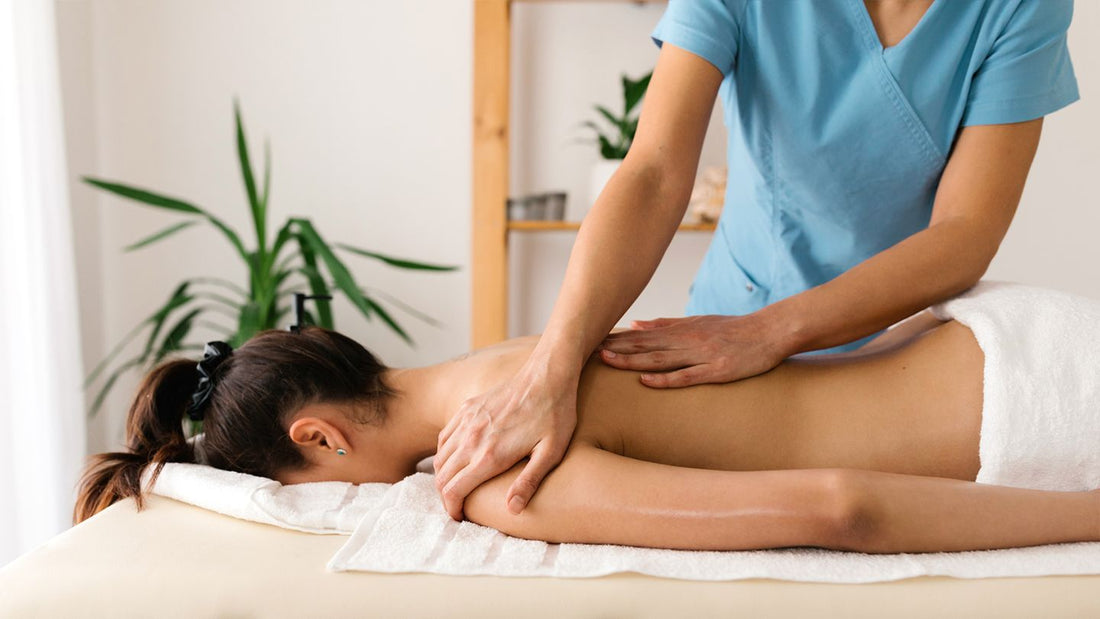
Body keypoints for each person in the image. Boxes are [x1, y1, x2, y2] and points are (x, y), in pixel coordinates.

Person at [435, 0, 1081, 522]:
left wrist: (773, 331)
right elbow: (655, 173)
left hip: (888, 372)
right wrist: (551, 365)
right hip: (722, 348)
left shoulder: (1022, 8)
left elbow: (965, 233)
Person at [75, 284, 1100, 554]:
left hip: (1034, 411)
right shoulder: (520, 356)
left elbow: (843, 511)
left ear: (319, 440)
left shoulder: (498, 472)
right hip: (1003, 333)